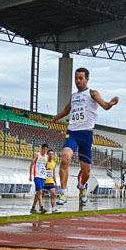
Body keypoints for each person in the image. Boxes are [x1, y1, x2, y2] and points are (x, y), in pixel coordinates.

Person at [51, 67, 119, 205]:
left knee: (86, 171)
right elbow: (66, 110)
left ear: (87, 79)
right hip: (73, 133)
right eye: (76, 78)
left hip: (86, 135)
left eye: (81, 78)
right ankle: (63, 193)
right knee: (65, 159)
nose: (78, 81)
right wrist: (55, 118)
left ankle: (82, 187)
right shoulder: (74, 96)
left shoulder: (92, 93)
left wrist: (110, 104)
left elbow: (104, 105)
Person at [29, 144, 50, 214]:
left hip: (43, 176)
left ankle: (33, 208)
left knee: (38, 193)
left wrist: (48, 169)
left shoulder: (47, 157)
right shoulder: (37, 155)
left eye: (46, 149)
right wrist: (30, 175)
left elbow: (46, 166)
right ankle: (41, 207)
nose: (45, 150)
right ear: (41, 149)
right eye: (44, 149)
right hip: (37, 175)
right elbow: (31, 164)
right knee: (40, 192)